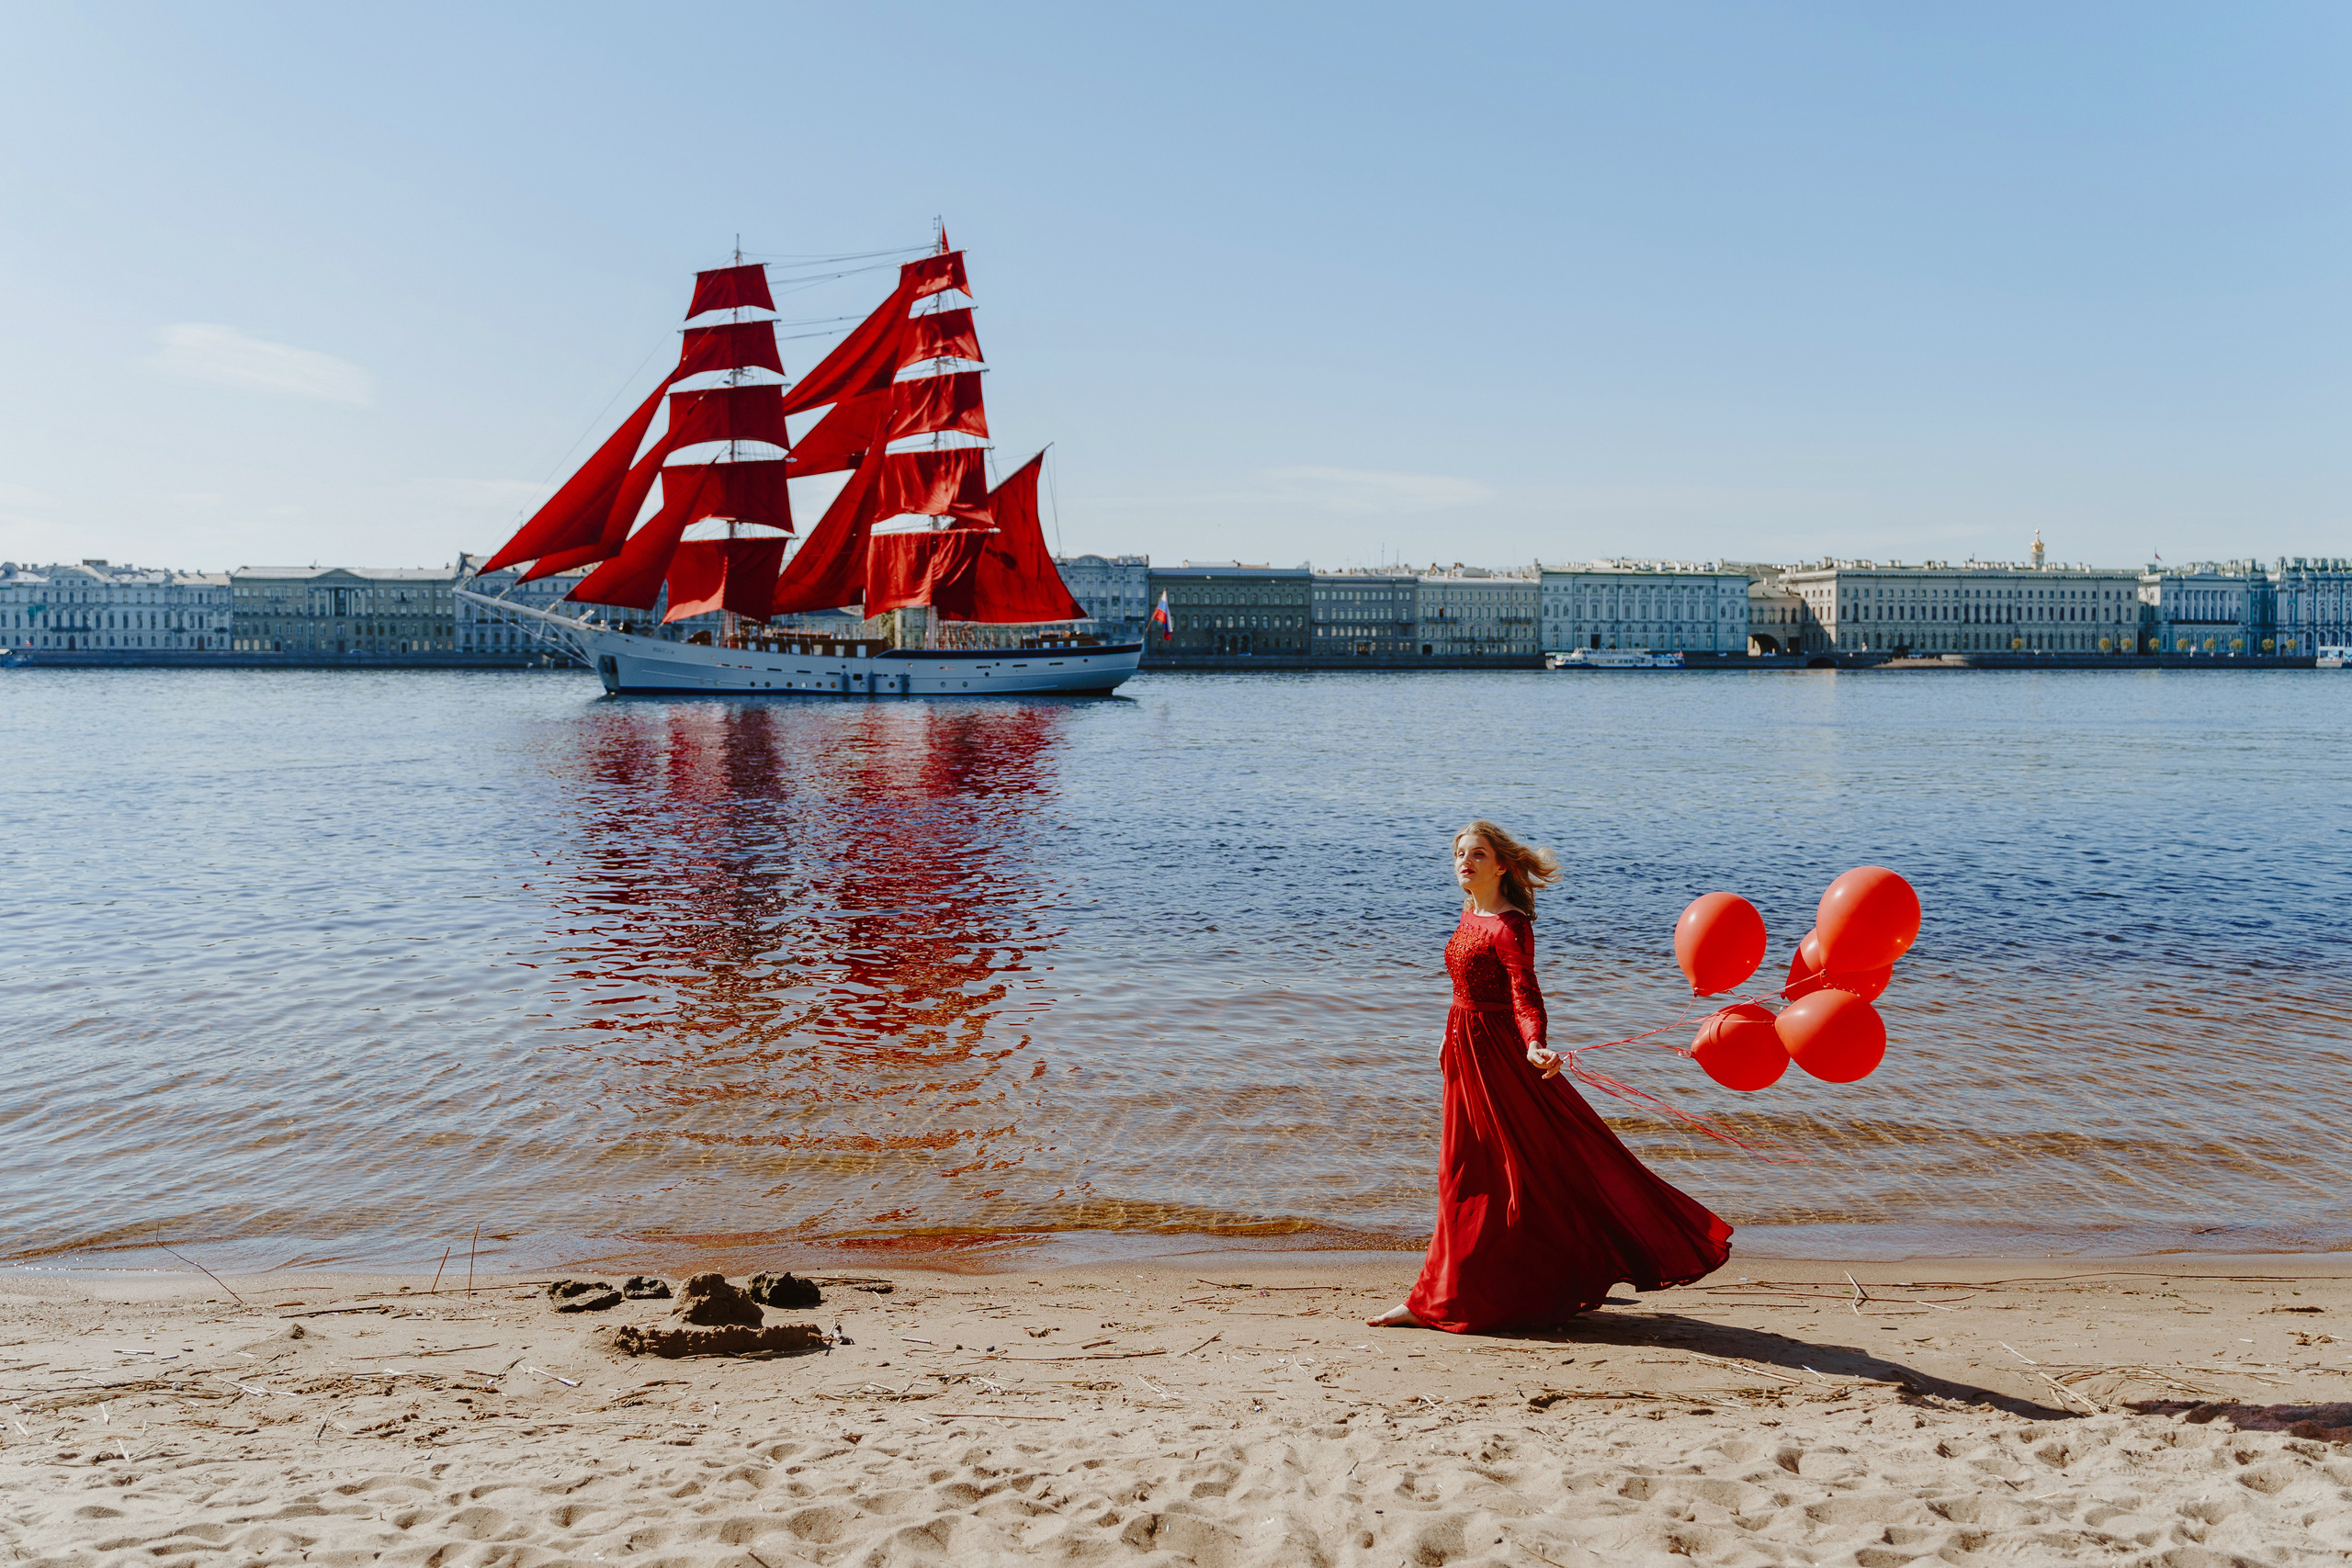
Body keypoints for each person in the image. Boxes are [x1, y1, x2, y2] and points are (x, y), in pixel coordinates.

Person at [1370, 819, 1733, 1332]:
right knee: (1463, 1174)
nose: (1464, 862)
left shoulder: (1511, 925)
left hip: (1499, 1057)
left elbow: (1523, 994)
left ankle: (1440, 1298)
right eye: (1458, 854)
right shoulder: (1470, 914)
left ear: (1502, 865)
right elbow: (1469, 990)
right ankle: (1450, 1291)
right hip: (1464, 1050)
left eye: (1476, 854)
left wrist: (1535, 1043)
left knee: (1500, 1175)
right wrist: (1447, 1037)